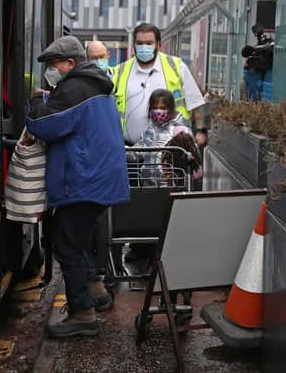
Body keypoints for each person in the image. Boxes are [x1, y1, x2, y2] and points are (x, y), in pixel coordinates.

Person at [26, 36, 129, 338]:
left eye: (54, 64)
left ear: (70, 64)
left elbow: (45, 124)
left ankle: (82, 314)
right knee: (75, 237)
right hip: (99, 178)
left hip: (84, 179)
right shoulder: (93, 83)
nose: (51, 70)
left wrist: (34, 102)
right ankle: (96, 293)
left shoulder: (73, 87)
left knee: (66, 244)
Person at [111, 23, 206, 146]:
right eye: (139, 43)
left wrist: (201, 131)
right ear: (134, 45)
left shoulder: (177, 67)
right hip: (129, 149)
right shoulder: (120, 71)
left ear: (159, 45)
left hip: (170, 151)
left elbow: (196, 103)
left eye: (149, 43)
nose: (144, 47)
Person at [134, 89, 193, 186]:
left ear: (170, 109)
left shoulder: (182, 131)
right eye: (155, 107)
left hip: (173, 186)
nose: (158, 111)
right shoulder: (149, 130)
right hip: (147, 186)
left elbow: (191, 159)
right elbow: (138, 152)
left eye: (162, 108)